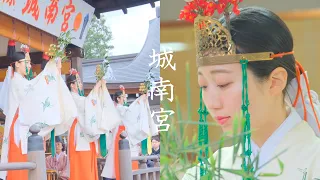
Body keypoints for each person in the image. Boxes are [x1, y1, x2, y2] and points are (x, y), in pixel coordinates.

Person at [179, 4, 320, 180]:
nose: (212, 104)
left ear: (275, 82)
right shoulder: (207, 172)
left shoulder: (315, 162)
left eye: (223, 84)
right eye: (203, 86)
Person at [0, 51, 77, 180]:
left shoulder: (21, 81)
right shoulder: (17, 81)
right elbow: (35, 88)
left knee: (28, 163)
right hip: (19, 130)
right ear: (17, 64)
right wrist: (51, 71)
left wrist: (53, 72)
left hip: (23, 127)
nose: (30, 66)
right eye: (27, 63)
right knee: (20, 164)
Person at [66, 69, 121, 180]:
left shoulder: (79, 97)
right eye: (78, 82)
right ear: (72, 85)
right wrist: (97, 86)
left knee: (89, 161)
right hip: (79, 131)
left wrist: (100, 90)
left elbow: (92, 103)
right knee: (82, 162)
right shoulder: (72, 97)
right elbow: (88, 104)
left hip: (85, 130)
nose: (81, 85)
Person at [102, 90, 158, 180]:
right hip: (121, 134)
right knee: (121, 157)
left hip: (124, 133)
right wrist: (140, 100)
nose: (125, 98)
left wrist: (140, 100)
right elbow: (131, 112)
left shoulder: (120, 108)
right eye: (123, 97)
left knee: (127, 157)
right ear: (118, 98)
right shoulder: (119, 108)